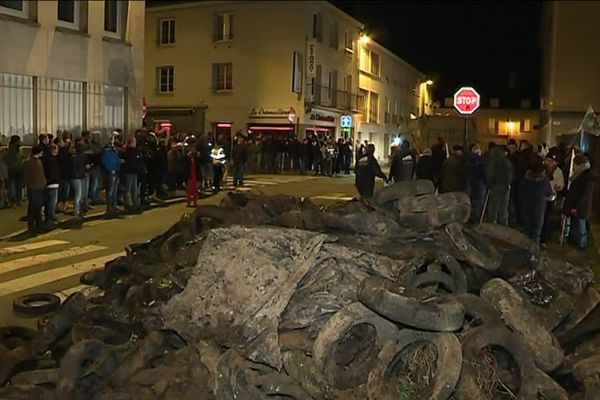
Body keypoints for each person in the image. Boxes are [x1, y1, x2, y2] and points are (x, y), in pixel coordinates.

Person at [563, 154, 595, 251]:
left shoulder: (586, 176)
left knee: (581, 225)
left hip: (580, 206)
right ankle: (576, 241)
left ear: (579, 165)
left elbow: (584, 194)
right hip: (578, 205)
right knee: (577, 224)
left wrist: (577, 207)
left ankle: (582, 244)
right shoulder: (584, 174)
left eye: (574, 165)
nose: (573, 167)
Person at [518, 156, 551, 245]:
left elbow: (520, 192)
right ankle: (534, 253)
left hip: (526, 206)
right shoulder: (544, 180)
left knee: (527, 230)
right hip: (539, 207)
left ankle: (525, 250)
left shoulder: (525, 179)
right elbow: (548, 192)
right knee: (536, 232)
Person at [541, 150, 565, 246]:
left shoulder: (558, 172)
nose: (549, 163)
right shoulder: (541, 170)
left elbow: (561, 184)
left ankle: (544, 239)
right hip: (540, 198)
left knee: (547, 219)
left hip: (550, 198)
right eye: (548, 160)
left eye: (551, 161)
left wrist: (558, 186)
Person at [22, 145, 46, 232]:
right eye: (41, 151)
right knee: (33, 206)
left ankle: (38, 224)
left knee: (39, 206)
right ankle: (31, 224)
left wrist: (44, 183)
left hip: (40, 186)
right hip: (33, 186)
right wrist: (24, 184)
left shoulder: (39, 161)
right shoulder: (29, 162)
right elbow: (26, 174)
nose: (43, 153)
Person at [487, 146, 513, 226]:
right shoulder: (507, 162)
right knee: (504, 207)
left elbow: (490, 175)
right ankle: (504, 225)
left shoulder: (493, 162)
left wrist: (489, 184)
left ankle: (493, 224)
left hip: (496, 186)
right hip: (506, 186)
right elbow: (511, 174)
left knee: (494, 207)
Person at [101, 132, 122, 217]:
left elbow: (116, 160)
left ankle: (114, 207)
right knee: (110, 191)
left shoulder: (114, 150)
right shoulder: (107, 150)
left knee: (114, 191)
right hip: (111, 172)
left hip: (116, 171)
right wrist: (111, 169)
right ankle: (110, 208)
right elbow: (105, 161)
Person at [466, 144, 488, 223]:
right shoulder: (481, 160)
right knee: (479, 201)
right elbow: (484, 172)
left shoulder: (467, 160)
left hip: (469, 182)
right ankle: (476, 218)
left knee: (469, 200)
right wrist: (487, 182)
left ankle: (468, 217)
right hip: (480, 183)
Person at [121, 137, 144, 212]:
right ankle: (129, 205)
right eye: (134, 141)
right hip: (128, 172)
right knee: (128, 189)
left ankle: (135, 204)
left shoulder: (135, 151)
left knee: (135, 189)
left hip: (134, 172)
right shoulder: (126, 151)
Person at [43, 144, 60, 224]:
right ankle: (51, 217)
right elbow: (53, 173)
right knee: (52, 202)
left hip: (48, 183)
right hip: (53, 183)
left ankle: (48, 217)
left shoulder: (45, 159)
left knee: (48, 201)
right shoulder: (53, 161)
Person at [70, 138, 88, 218]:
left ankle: (79, 211)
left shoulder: (75, 156)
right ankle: (77, 212)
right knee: (79, 194)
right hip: (77, 176)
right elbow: (76, 167)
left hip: (79, 176)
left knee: (80, 194)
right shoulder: (79, 156)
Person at [5, 135, 24, 207]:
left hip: (13, 170)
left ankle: (15, 201)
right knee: (15, 186)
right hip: (15, 170)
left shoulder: (10, 150)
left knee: (14, 186)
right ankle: (16, 200)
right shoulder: (15, 150)